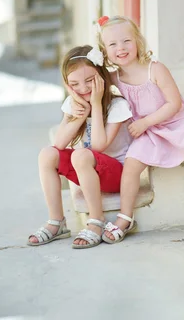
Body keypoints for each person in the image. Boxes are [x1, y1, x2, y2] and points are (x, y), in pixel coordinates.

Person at [95, 15, 184, 244]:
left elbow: (174, 104)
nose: (120, 48)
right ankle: (125, 216)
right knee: (132, 163)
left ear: (138, 41)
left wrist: (145, 122)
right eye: (112, 44)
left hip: (174, 121)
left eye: (126, 41)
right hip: (150, 133)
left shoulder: (155, 69)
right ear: (104, 51)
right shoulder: (114, 77)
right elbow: (91, 76)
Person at [27, 44, 133, 249]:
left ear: (101, 77)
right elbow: (58, 144)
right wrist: (81, 114)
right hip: (87, 169)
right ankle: (56, 221)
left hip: (117, 175)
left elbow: (98, 146)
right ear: (67, 84)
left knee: (82, 155)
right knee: (47, 154)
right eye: (74, 83)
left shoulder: (117, 106)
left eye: (90, 81)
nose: (83, 88)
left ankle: (96, 221)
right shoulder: (73, 104)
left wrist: (95, 104)